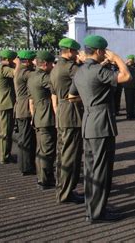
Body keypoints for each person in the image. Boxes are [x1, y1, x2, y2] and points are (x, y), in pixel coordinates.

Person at [68, 35, 131, 223]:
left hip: (88, 122)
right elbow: (126, 76)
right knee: (101, 170)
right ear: (99, 51)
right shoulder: (97, 71)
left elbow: (71, 97)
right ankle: (97, 213)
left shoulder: (80, 71)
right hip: (101, 125)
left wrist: (90, 100)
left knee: (90, 170)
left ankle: (92, 208)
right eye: (104, 51)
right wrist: (117, 58)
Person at [50, 38, 84, 204]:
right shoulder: (70, 67)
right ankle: (66, 193)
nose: (77, 54)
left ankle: (62, 188)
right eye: (76, 51)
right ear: (69, 51)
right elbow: (87, 77)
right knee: (70, 155)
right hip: (71, 113)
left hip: (63, 112)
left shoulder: (56, 67)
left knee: (63, 154)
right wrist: (85, 62)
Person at [27, 50, 57, 190]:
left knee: (41, 150)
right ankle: (45, 180)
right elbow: (57, 87)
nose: (53, 66)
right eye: (52, 64)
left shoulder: (32, 76)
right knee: (47, 151)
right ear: (45, 64)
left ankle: (42, 177)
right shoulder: (44, 78)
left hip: (38, 115)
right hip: (46, 117)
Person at [0, 49, 19, 164]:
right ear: (8, 59)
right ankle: (4, 156)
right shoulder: (4, 69)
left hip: (4, 103)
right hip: (6, 104)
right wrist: (18, 64)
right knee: (5, 132)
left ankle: (5, 154)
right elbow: (17, 74)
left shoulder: (0, 68)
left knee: (6, 131)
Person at [14, 50, 37, 175]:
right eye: (33, 60)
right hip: (26, 108)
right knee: (27, 139)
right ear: (28, 61)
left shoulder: (19, 70)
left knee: (24, 139)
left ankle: (24, 165)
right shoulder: (26, 73)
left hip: (20, 108)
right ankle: (27, 167)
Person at [124, 54, 135, 120]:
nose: (134, 60)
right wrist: (126, 62)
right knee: (129, 101)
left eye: (134, 59)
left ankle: (134, 114)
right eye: (132, 59)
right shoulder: (125, 66)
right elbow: (119, 68)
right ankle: (129, 115)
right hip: (128, 86)